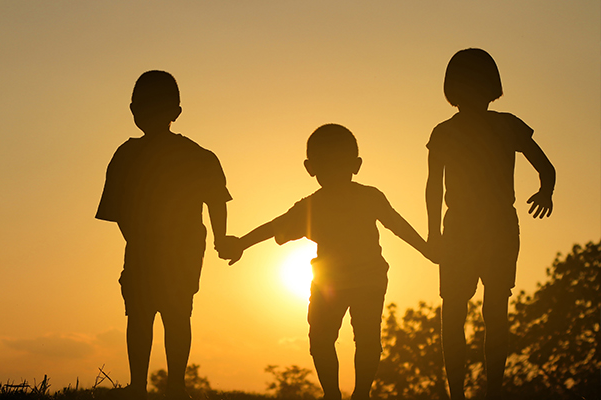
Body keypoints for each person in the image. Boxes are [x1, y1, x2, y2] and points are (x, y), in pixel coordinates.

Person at [218, 124, 434, 400]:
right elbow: (276, 225)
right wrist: (241, 244)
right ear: (311, 168)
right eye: (327, 166)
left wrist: (427, 249)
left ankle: (355, 394)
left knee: (351, 340)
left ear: (355, 166)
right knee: (332, 340)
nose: (333, 173)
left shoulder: (362, 198)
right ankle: (341, 394)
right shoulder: (318, 204)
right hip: (341, 281)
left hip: (356, 280)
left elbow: (398, 225)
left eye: (337, 165)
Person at [426, 48, 555, 400]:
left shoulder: (502, 126)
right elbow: (433, 187)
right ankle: (469, 393)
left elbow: (546, 169)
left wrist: (547, 191)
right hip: (474, 230)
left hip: (487, 229)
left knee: (482, 310)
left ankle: (485, 392)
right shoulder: (462, 131)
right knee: (472, 311)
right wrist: (433, 233)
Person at [96, 70, 230, 400]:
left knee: (149, 316)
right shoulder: (197, 155)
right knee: (170, 315)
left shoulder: (128, 155)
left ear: (133, 110)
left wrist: (140, 238)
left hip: (154, 249)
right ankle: (168, 387)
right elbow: (216, 202)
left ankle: (151, 387)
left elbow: (118, 212)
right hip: (172, 250)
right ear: (177, 112)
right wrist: (219, 238)